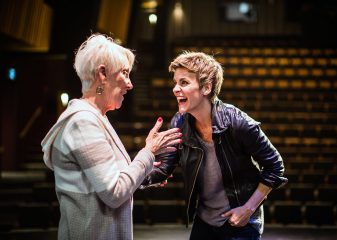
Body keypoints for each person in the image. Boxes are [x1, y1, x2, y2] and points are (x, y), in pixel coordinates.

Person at [41, 33, 181, 240]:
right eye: (125, 73)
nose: (130, 84)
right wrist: (148, 152)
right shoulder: (83, 123)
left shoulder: (96, 118)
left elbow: (105, 181)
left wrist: (144, 173)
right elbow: (114, 193)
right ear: (103, 74)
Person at [141, 51, 288, 240]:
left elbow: (275, 167)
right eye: (175, 83)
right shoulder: (179, 122)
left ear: (206, 88)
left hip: (241, 223)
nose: (175, 89)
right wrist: (129, 171)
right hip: (204, 222)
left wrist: (248, 209)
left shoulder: (237, 122)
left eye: (184, 82)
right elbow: (163, 170)